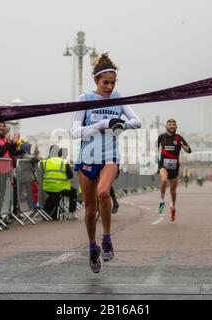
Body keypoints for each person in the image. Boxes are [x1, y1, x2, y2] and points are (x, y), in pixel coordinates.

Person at [71, 53, 141, 273]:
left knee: (103, 193)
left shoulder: (119, 98)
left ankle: (107, 238)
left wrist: (120, 124)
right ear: (96, 81)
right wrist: (101, 125)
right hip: (87, 159)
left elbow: (136, 121)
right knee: (90, 210)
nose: (110, 87)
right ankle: (93, 247)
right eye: (105, 83)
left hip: (110, 157)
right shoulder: (84, 99)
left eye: (113, 83)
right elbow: (74, 132)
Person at [157, 119, 191, 222]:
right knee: (163, 180)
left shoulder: (179, 138)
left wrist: (182, 144)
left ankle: (173, 206)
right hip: (163, 165)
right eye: (170, 124)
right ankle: (162, 200)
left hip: (174, 167)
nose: (171, 126)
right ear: (166, 126)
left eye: (173, 125)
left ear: (176, 127)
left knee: (173, 191)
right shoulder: (161, 137)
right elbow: (154, 149)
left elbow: (189, 150)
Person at [41, 145, 77, 220]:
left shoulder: (45, 162)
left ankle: (49, 213)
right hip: (61, 187)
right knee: (73, 192)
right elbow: (70, 176)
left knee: (53, 196)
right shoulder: (63, 162)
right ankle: (71, 214)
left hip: (47, 188)